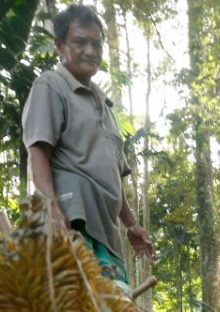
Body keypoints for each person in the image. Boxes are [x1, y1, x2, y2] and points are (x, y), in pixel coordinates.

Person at [22, 4, 153, 289]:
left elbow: (113, 174)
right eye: (80, 42)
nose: (90, 50)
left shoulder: (102, 102)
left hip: (107, 230)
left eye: (97, 43)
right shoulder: (51, 85)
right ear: (59, 45)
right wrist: (52, 208)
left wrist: (131, 224)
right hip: (75, 222)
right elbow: (38, 151)